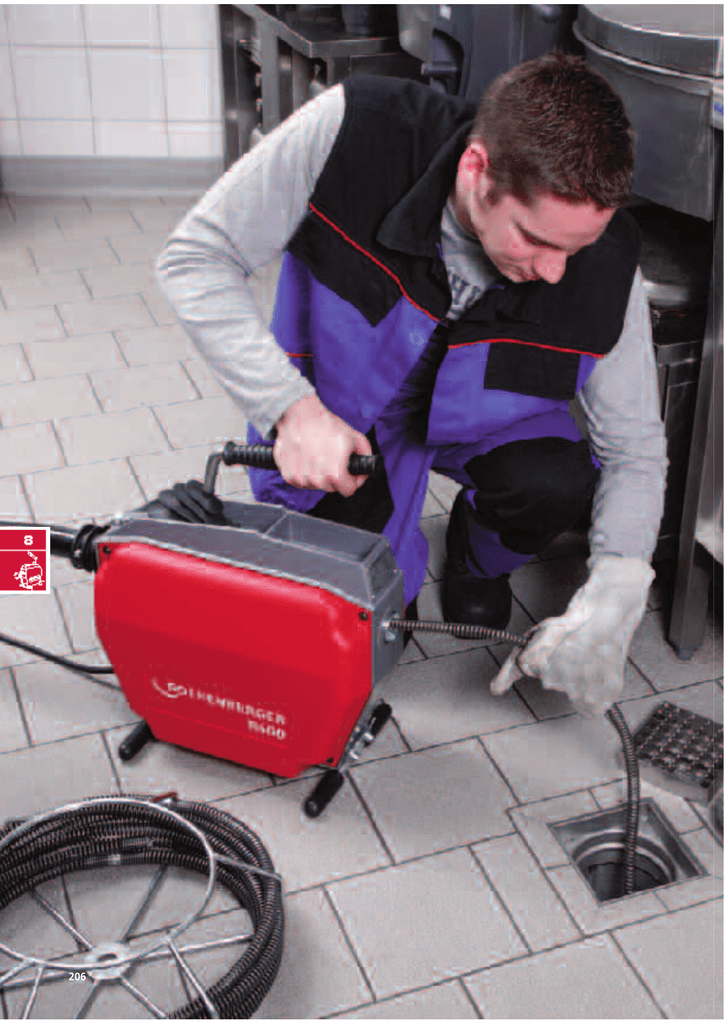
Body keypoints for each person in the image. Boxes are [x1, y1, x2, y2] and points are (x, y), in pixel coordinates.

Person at [156, 53, 667, 716]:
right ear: (476, 170)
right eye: (535, 239)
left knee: (555, 481)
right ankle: (381, 551)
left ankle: (476, 558)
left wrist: (618, 589)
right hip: (344, 412)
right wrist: (291, 411)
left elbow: (633, 447)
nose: (554, 272)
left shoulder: (607, 264)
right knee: (365, 617)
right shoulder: (354, 133)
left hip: (484, 415)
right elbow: (196, 257)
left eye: (576, 247)